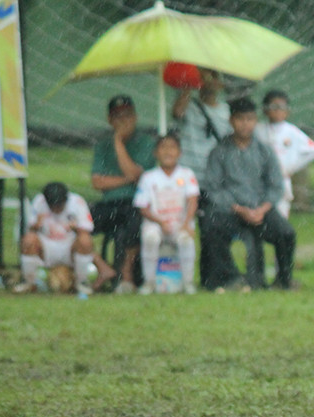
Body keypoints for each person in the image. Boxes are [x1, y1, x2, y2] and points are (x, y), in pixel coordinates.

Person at [204, 97, 296, 291]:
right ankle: (229, 278)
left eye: (250, 119)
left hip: (260, 209)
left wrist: (262, 209)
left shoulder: (265, 151)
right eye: (240, 119)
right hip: (231, 210)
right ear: (231, 121)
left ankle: (283, 281)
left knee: (286, 233)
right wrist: (238, 209)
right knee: (211, 226)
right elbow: (213, 188)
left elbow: (276, 185)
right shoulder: (219, 152)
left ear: (256, 121)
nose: (245, 124)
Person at [90, 94, 156, 293]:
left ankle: (126, 273)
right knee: (78, 223)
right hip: (109, 204)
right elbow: (97, 182)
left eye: (127, 115)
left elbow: (137, 175)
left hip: (134, 202)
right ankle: (103, 268)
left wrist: (118, 143)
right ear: (110, 120)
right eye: (117, 117)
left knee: (132, 222)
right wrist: (128, 178)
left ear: (135, 117)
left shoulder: (146, 143)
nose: (123, 121)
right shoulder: (102, 145)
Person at [171, 68, 231, 288]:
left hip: (212, 179)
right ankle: (175, 277)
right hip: (187, 178)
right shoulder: (191, 106)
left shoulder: (226, 112)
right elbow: (177, 112)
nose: (209, 82)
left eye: (214, 77)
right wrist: (190, 85)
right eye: (205, 77)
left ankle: (209, 278)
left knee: (210, 228)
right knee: (178, 226)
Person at [14, 182, 115, 295]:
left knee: (85, 240)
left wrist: (75, 227)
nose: (56, 210)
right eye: (53, 207)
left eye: (59, 206)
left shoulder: (77, 202)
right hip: (47, 246)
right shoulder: (39, 201)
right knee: (28, 240)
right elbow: (29, 228)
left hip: (69, 246)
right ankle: (29, 281)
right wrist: (36, 225)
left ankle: (82, 282)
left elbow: (87, 229)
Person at [132, 134, 200, 295]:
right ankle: (149, 283)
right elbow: (143, 208)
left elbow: (192, 201)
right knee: (150, 238)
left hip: (180, 222)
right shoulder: (148, 177)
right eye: (163, 147)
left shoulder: (186, 174)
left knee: (186, 240)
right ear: (156, 153)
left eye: (172, 148)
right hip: (156, 223)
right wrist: (160, 222)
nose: (168, 152)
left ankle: (188, 283)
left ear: (180, 153)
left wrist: (186, 223)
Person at [255, 89, 314, 221]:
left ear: (288, 111)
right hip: (260, 179)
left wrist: (292, 167)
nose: (278, 111)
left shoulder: (292, 131)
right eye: (274, 107)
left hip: (281, 178)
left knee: (281, 212)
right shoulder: (258, 130)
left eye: (282, 107)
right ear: (265, 109)